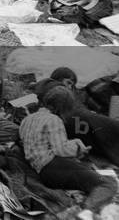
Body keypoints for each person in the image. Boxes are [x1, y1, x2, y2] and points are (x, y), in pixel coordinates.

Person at [19, 86, 118, 216]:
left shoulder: (27, 119)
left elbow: (28, 141)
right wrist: (78, 147)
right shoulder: (54, 120)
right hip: (52, 167)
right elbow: (61, 150)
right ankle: (85, 213)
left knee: (88, 174)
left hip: (40, 169)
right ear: (63, 108)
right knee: (108, 184)